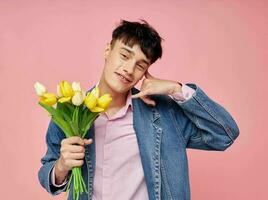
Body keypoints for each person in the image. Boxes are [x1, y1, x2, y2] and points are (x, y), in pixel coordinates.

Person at [38, 19, 239, 200]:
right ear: (108, 50)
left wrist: (176, 89)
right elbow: (48, 172)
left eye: (140, 65)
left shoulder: (164, 115)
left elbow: (224, 134)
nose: (128, 69)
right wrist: (62, 166)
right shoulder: (70, 111)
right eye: (124, 55)